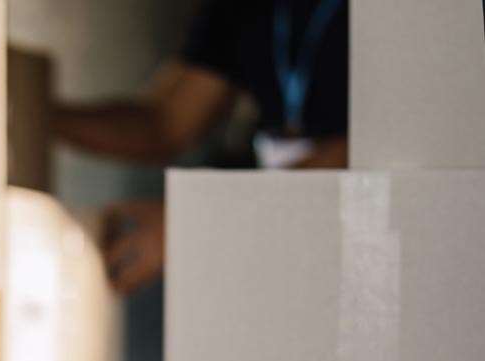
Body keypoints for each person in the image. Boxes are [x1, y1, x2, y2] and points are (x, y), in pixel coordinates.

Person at [53, 0, 348, 293]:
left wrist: (203, 220)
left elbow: (366, 152)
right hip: (280, 223)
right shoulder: (245, 9)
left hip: (351, 222)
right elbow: (166, 122)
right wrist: (40, 115)